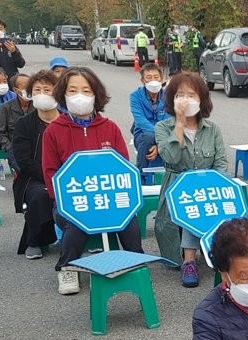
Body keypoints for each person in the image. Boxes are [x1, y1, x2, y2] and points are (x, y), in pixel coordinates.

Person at [41, 67, 144, 296]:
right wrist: (64, 201)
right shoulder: (54, 131)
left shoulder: (110, 128)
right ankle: (67, 267)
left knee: (129, 222)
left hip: (110, 199)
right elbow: (50, 172)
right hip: (72, 203)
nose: (80, 96)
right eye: (73, 90)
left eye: (86, 90)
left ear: (96, 94)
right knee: (77, 224)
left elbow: (123, 170)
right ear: (63, 95)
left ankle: (136, 263)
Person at [154, 72, 227, 288]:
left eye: (191, 95)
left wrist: (213, 187)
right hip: (176, 189)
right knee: (190, 203)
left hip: (209, 187)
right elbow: (171, 157)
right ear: (171, 99)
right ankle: (188, 261)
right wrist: (179, 124)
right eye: (180, 95)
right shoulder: (162, 128)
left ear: (202, 99)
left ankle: (199, 256)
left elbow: (221, 163)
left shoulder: (212, 129)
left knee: (203, 202)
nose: (185, 100)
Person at [12, 69, 60, 260]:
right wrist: (50, 177)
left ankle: (89, 238)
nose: (42, 94)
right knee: (40, 193)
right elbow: (24, 160)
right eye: (37, 90)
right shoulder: (25, 124)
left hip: (67, 175)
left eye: (47, 89)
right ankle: (35, 240)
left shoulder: (68, 121)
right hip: (36, 177)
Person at [0, 73, 31, 212]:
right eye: (25, 87)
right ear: (16, 90)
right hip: (15, 147)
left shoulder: (39, 106)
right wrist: (9, 146)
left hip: (36, 145)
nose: (30, 89)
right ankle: (23, 199)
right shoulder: (6, 108)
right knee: (24, 169)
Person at [130, 63, 168, 173]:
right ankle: (142, 172)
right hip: (143, 133)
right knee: (148, 137)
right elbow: (140, 120)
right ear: (143, 81)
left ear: (161, 79)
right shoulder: (135, 96)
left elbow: (169, 121)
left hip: (165, 134)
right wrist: (160, 140)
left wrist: (160, 144)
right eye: (149, 77)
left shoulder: (169, 96)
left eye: (156, 77)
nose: (153, 80)